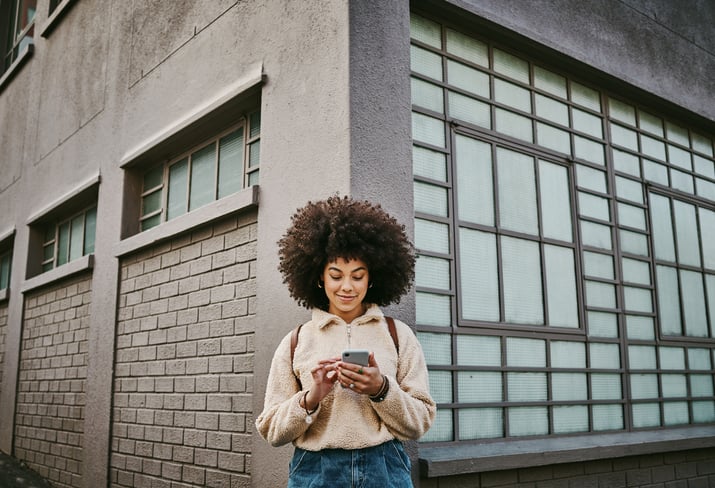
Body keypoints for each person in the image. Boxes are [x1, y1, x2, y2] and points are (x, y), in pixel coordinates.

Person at [256, 195, 435, 487]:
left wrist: (381, 389)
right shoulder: (296, 340)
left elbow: (420, 422)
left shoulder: (398, 335)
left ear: (371, 279)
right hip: (315, 470)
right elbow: (272, 431)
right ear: (319, 278)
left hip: (385, 468)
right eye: (336, 275)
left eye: (358, 276)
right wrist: (311, 398)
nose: (347, 287)